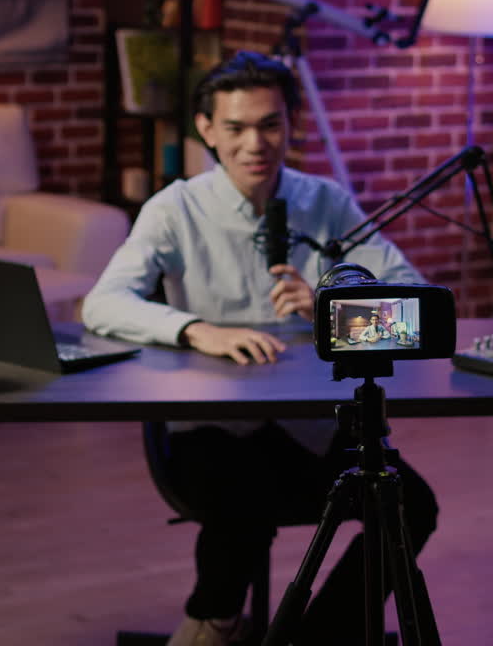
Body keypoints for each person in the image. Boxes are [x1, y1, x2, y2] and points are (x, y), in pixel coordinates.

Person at [82, 51, 439, 646]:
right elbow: (102, 304)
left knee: (410, 507)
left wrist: (332, 308)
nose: (256, 144)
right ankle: (213, 623)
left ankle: (314, 634)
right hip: (212, 429)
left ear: (290, 125)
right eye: (237, 128)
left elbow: (417, 312)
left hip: (316, 428)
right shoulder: (175, 209)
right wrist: (199, 330)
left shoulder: (325, 202)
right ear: (206, 130)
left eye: (271, 125)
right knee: (240, 497)